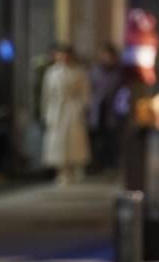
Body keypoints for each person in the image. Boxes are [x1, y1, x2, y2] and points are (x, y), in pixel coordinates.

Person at [40, 45, 92, 185]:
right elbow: (46, 95)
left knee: (75, 138)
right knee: (57, 140)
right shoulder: (51, 73)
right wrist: (46, 112)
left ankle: (77, 167)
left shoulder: (78, 71)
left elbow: (85, 92)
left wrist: (81, 106)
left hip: (73, 108)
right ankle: (61, 171)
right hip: (57, 109)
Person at [88, 44, 124, 172]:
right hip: (97, 108)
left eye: (110, 56)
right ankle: (97, 164)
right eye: (105, 55)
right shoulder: (95, 71)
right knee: (97, 139)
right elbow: (90, 89)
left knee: (112, 138)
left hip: (113, 109)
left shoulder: (119, 72)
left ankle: (111, 164)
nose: (107, 58)